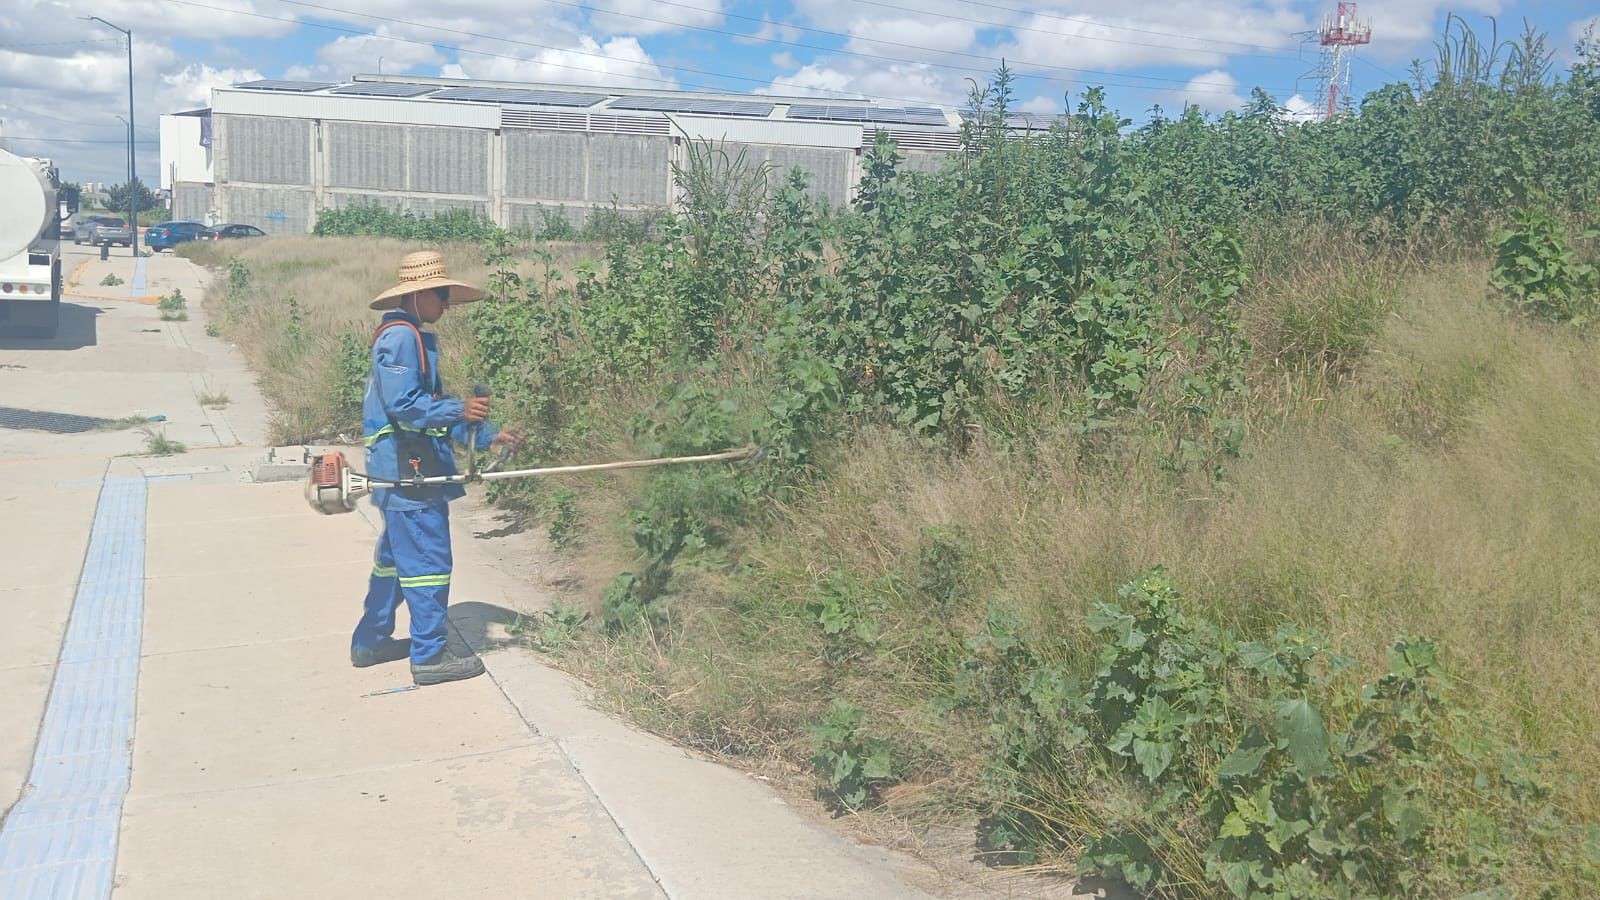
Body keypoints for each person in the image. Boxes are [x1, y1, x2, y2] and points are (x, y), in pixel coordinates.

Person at [349, 250, 519, 685]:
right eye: (442, 295)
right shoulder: (401, 338)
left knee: (394, 561)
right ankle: (429, 656)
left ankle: (371, 641)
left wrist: (483, 434)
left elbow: (434, 410)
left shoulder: (413, 337)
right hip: (409, 473)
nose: (445, 304)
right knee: (428, 561)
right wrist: (461, 410)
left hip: (406, 469)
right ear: (420, 294)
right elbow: (406, 408)